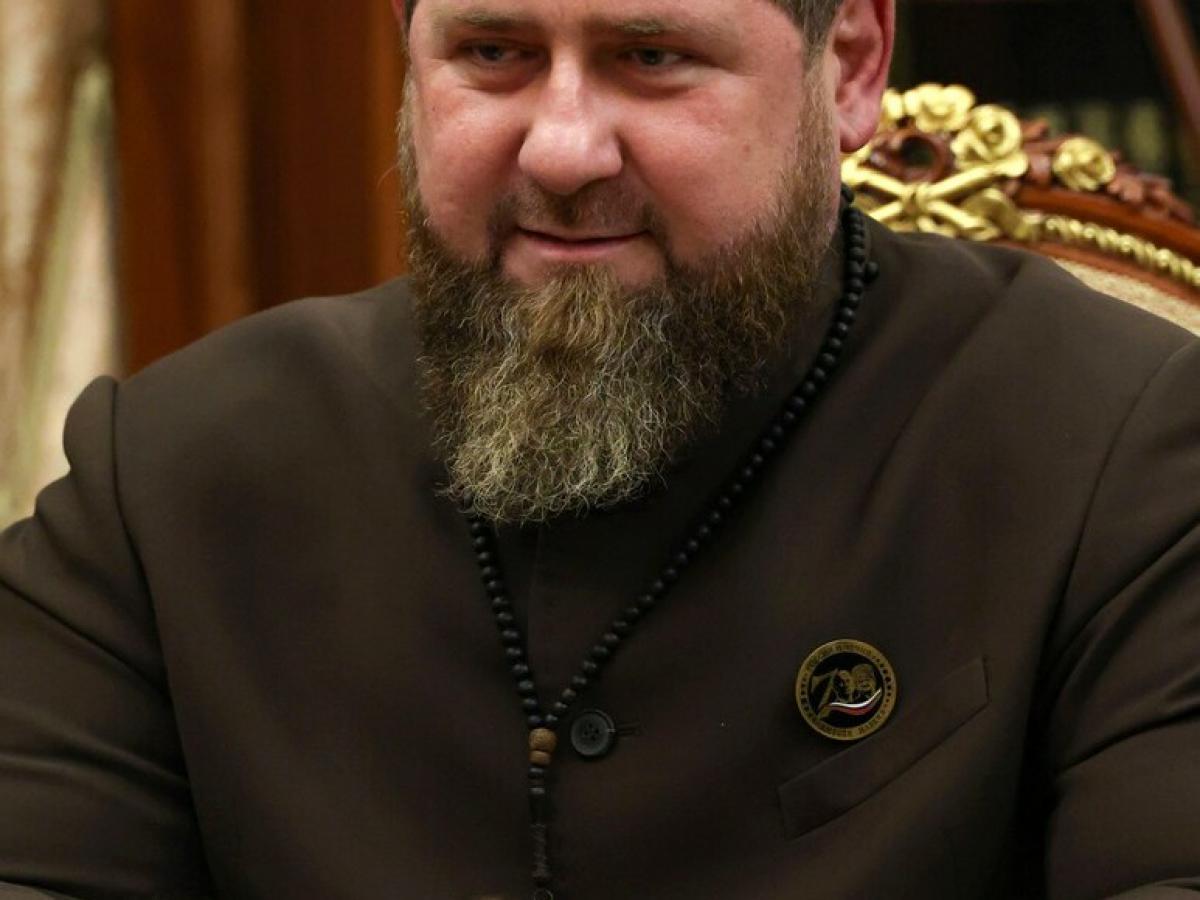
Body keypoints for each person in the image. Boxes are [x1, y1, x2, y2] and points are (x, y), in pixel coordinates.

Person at [1, 0, 1198, 896]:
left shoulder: (1120, 448)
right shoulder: (167, 474)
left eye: (651, 56)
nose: (562, 150)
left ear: (848, 65)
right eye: (493, 53)